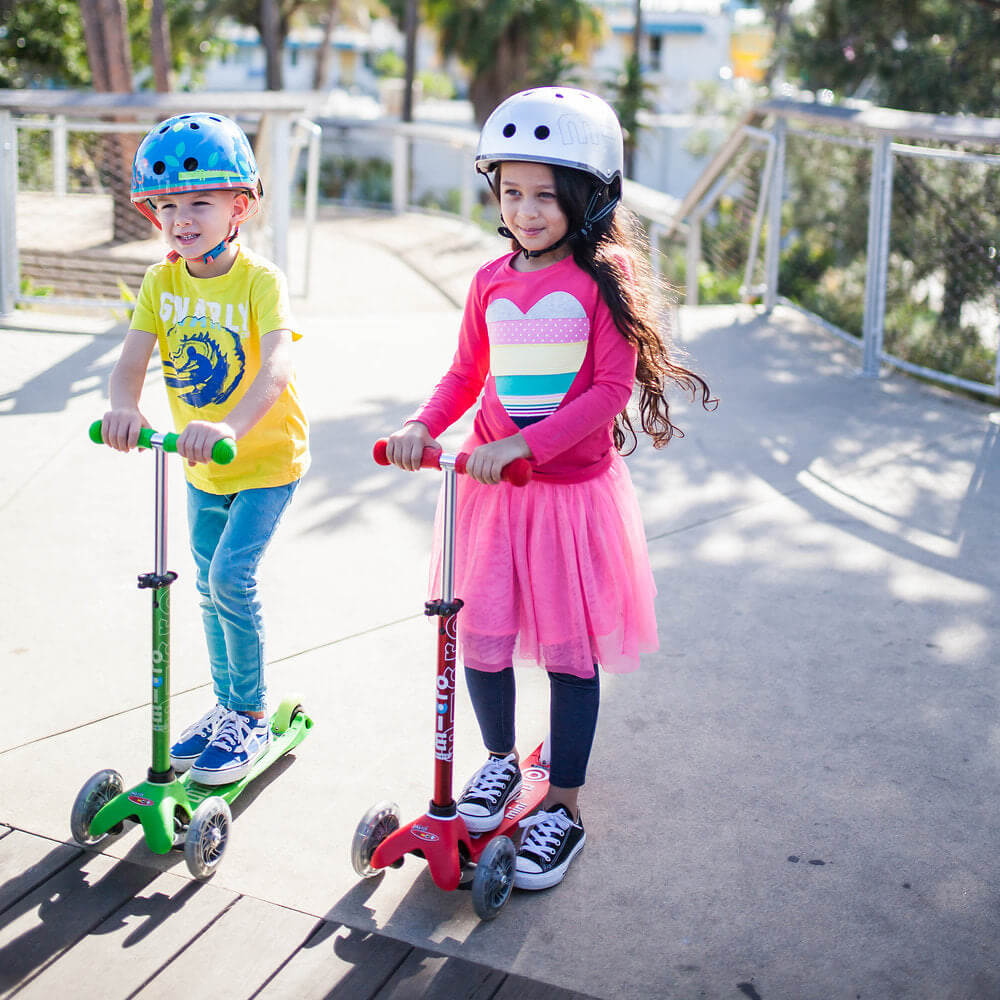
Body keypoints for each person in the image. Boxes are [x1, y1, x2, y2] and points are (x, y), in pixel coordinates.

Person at [384, 87, 715, 890]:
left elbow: (607, 390)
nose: (526, 211)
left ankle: (562, 804)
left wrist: (529, 444)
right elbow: (467, 373)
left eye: (546, 194)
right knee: (481, 634)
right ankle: (500, 763)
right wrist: (425, 427)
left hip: (567, 494)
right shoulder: (491, 279)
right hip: (492, 493)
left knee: (569, 653)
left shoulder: (607, 276)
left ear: (589, 197)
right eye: (511, 192)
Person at [101, 113, 310, 786]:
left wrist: (228, 427)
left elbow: (277, 366)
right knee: (204, 588)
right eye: (167, 205)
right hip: (200, 469)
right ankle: (226, 704)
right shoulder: (162, 283)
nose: (180, 219)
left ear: (238, 208)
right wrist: (124, 407)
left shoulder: (259, 280)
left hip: (264, 462)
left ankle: (247, 713)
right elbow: (131, 360)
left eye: (198, 202)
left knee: (230, 579)